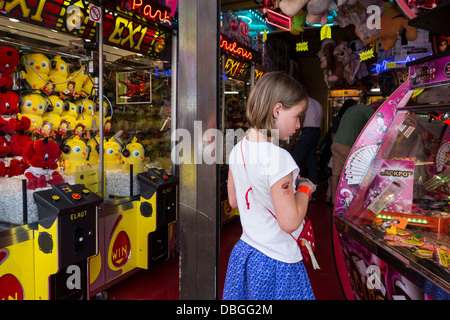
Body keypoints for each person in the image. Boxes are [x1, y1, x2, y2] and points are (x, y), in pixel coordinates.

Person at [223, 72, 316, 300]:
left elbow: (234, 201)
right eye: (297, 116)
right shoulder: (279, 157)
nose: (298, 125)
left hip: (246, 253)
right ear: (277, 110)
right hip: (277, 262)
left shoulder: (238, 149)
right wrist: (305, 190)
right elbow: (290, 222)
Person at [330, 103, 375, 205]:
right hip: (347, 146)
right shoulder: (367, 110)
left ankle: (334, 201)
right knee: (360, 171)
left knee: (336, 174)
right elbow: (377, 123)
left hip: (336, 143)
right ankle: (357, 201)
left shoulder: (352, 109)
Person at [290, 97, 323, 201]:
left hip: (307, 132)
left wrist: (292, 141)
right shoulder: (316, 102)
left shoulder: (304, 102)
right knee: (311, 163)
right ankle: (313, 193)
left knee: (294, 160)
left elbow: (300, 123)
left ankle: (293, 190)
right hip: (316, 132)